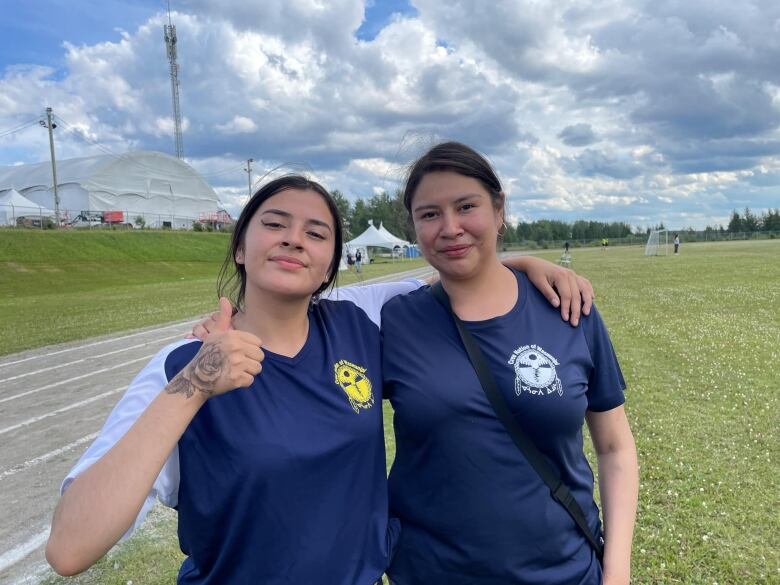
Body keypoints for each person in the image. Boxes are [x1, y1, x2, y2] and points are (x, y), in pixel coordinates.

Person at [47, 174, 593, 584]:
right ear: (240, 246)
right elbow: (70, 549)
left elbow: (459, 268)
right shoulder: (180, 365)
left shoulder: (364, 319)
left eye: (316, 232)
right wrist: (195, 384)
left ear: (332, 263)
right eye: (275, 224)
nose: (294, 240)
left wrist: (527, 263)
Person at [381, 142, 638, 585]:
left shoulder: (569, 308)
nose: (450, 227)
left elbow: (615, 449)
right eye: (429, 214)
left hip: (565, 572)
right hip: (431, 573)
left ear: (499, 210)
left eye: (466, 206)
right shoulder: (392, 319)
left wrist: (616, 570)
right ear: (414, 227)